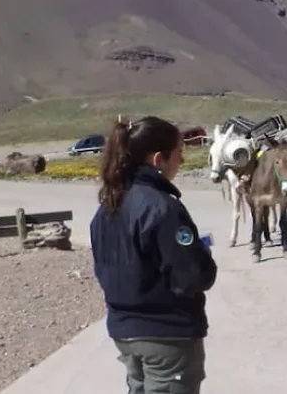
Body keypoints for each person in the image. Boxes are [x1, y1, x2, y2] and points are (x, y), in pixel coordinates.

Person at [90, 116, 218, 394]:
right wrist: (202, 256)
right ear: (159, 159)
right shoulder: (162, 208)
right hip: (166, 335)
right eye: (179, 153)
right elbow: (190, 277)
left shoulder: (108, 205)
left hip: (125, 331)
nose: (182, 161)